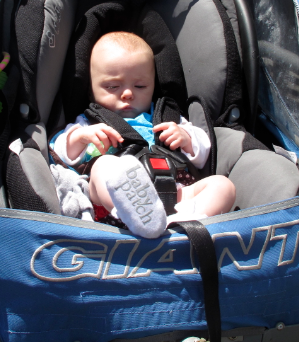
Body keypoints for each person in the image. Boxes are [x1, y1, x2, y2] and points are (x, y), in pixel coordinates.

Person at [50, 32, 236, 238]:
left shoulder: (167, 117)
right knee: (104, 166)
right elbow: (59, 153)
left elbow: (203, 155)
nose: (128, 94)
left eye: (140, 86)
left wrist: (186, 138)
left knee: (223, 186)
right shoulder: (90, 122)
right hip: (111, 204)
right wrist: (79, 138)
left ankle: (182, 221)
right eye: (112, 86)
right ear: (91, 90)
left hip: (175, 193)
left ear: (153, 86)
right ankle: (132, 211)